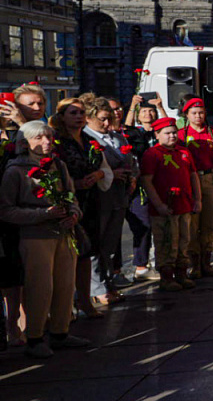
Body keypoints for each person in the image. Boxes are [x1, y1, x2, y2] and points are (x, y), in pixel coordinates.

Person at [0, 121, 88, 359]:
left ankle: (60, 332)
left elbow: (72, 198)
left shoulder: (58, 165)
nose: (46, 142)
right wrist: (42, 214)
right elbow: (6, 210)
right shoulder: (15, 170)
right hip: (34, 236)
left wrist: (73, 215)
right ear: (24, 143)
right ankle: (35, 337)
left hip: (63, 234)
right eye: (39, 138)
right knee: (40, 287)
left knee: (65, 285)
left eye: (49, 137)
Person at [51, 97, 109, 317]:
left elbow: (103, 166)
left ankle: (85, 300)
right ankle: (66, 307)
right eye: (73, 113)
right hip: (68, 201)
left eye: (81, 113)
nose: (78, 117)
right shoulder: (57, 141)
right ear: (62, 116)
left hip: (90, 200)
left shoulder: (88, 139)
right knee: (68, 254)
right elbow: (53, 172)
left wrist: (98, 174)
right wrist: (74, 184)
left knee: (88, 251)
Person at [1, 83, 46, 347]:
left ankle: (33, 323)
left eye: (40, 104)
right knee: (9, 272)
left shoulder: (42, 133)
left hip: (31, 207)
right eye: (30, 104)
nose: (36, 109)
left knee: (28, 271)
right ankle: (13, 325)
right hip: (8, 209)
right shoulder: (9, 132)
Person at [83, 99, 135, 304]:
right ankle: (97, 288)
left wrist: (132, 176)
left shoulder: (117, 137)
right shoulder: (86, 139)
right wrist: (111, 173)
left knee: (110, 244)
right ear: (89, 118)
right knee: (96, 243)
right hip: (99, 198)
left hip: (119, 196)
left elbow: (130, 159)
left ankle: (108, 283)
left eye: (109, 119)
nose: (107, 124)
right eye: (102, 120)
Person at [140, 117, 200, 292]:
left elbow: (193, 176)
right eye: (167, 133)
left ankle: (181, 273)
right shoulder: (152, 154)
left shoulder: (184, 152)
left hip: (184, 205)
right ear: (157, 134)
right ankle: (166, 277)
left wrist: (197, 200)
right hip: (164, 208)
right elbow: (147, 181)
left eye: (174, 132)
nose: (172, 136)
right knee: (167, 241)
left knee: (184, 241)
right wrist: (158, 205)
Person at [178, 98, 213, 279]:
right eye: (194, 113)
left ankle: (207, 262)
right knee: (192, 225)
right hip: (189, 181)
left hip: (208, 179)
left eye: (201, 112)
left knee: (209, 222)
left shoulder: (212, 133)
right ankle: (195, 263)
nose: (198, 116)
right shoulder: (182, 135)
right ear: (187, 115)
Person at [124, 96, 160, 281]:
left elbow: (172, 128)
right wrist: (132, 105)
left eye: (151, 111)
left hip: (160, 181)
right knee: (143, 223)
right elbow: (127, 129)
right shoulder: (135, 134)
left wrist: (160, 106)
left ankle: (161, 261)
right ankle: (141, 266)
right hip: (140, 184)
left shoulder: (160, 132)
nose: (148, 113)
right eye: (144, 111)